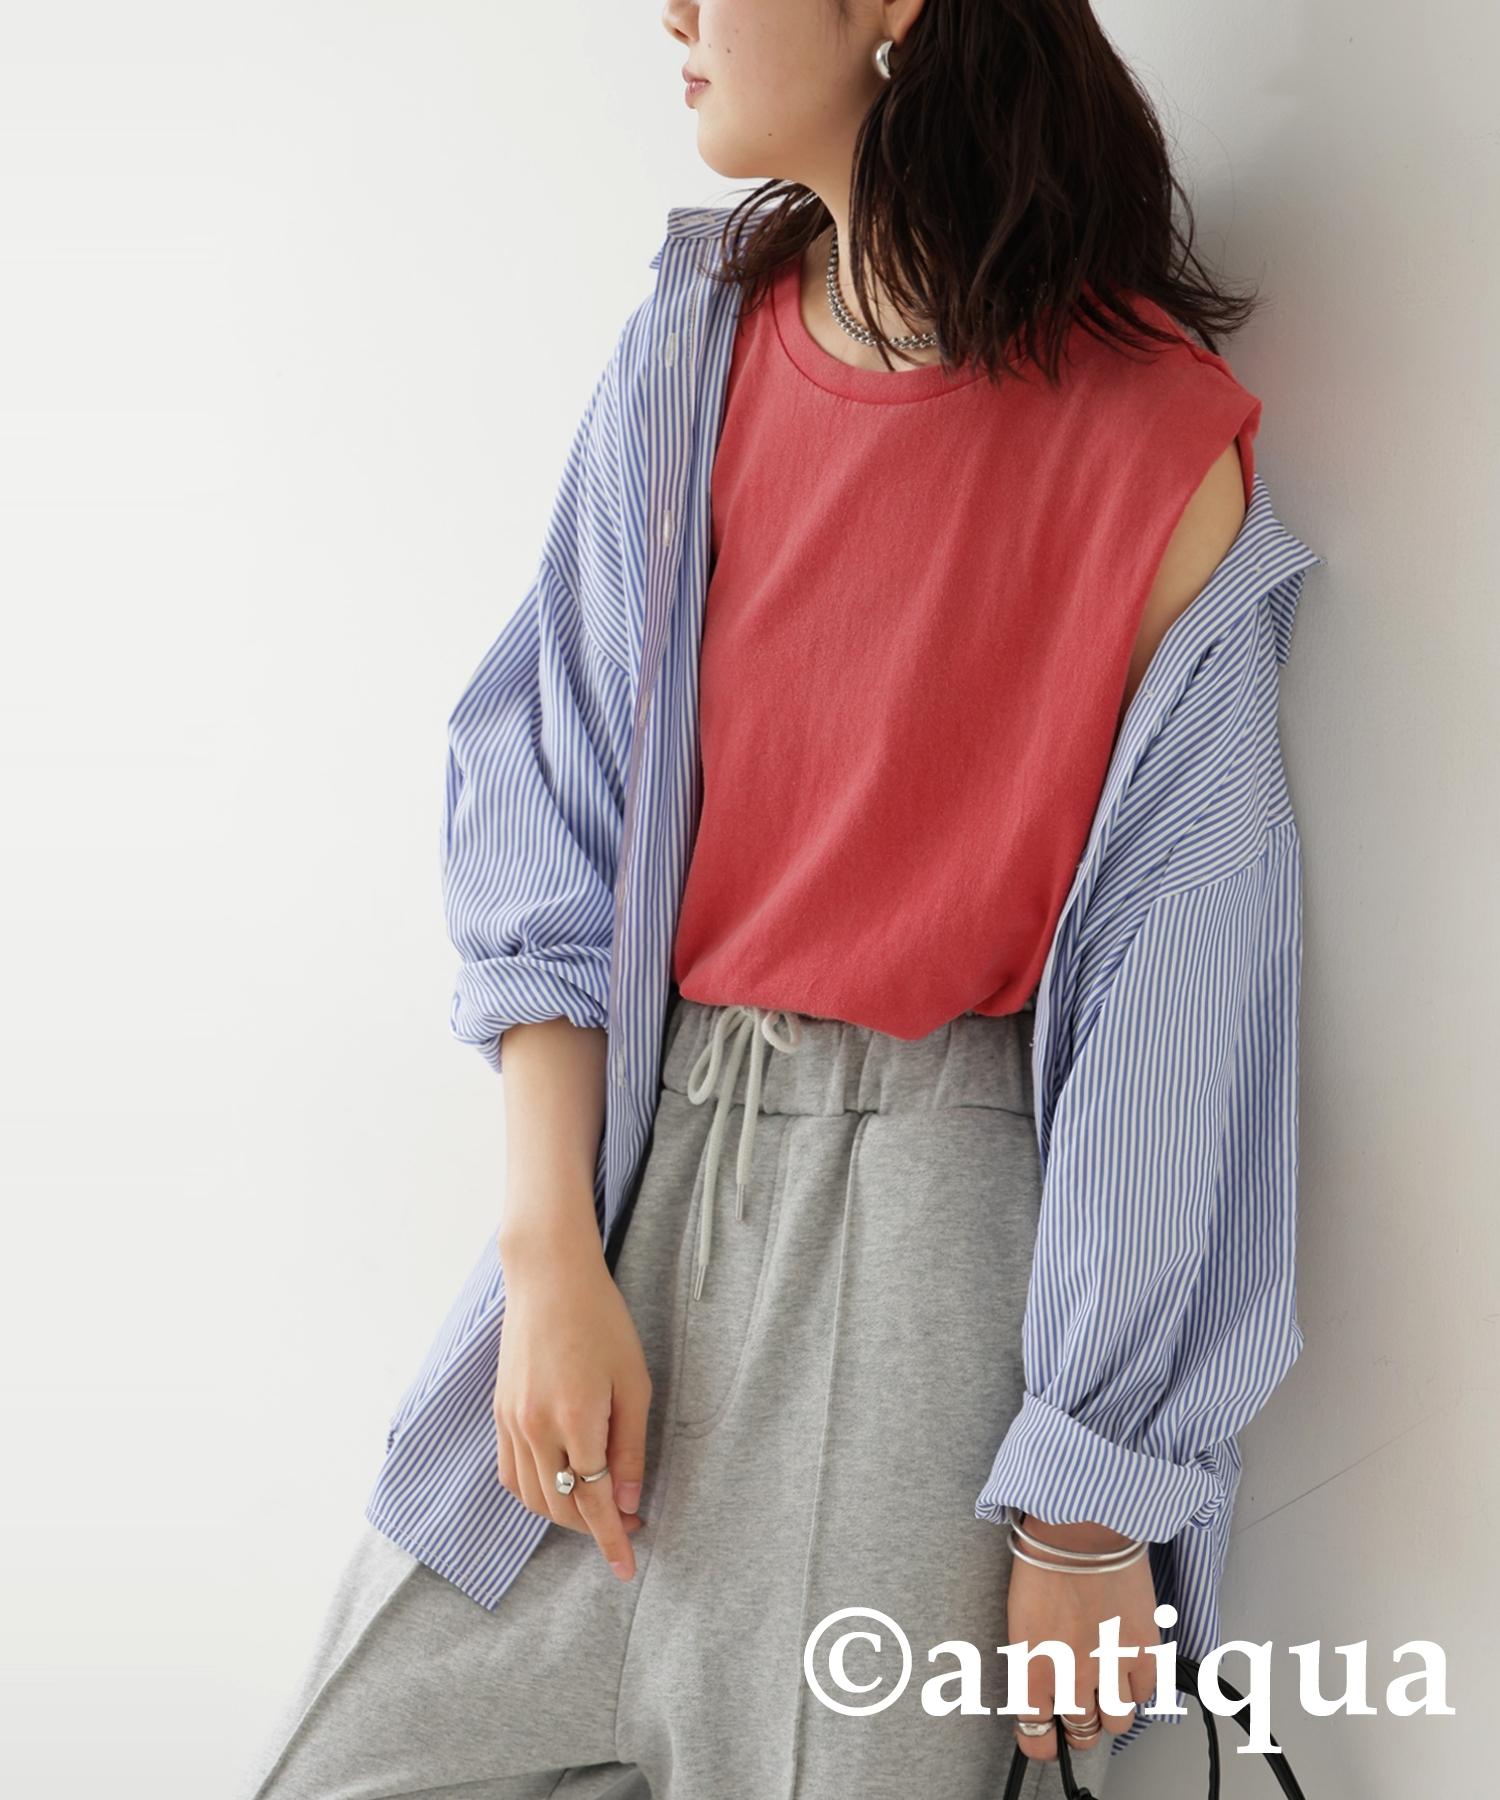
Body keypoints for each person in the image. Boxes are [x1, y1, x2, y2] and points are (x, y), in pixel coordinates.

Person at [237, 3, 1326, 1797]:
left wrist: (1088, 1505)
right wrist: (547, 1253)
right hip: (634, 1185)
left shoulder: (1150, 444)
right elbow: (550, 814)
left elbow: (1180, 995)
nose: (670, 10)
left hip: (923, 1272)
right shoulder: (692, 354)